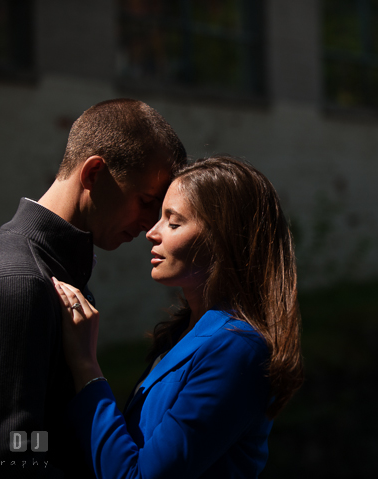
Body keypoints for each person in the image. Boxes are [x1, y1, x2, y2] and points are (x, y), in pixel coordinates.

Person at [0, 99, 186, 479]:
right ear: (94, 173)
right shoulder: (13, 284)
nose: (152, 226)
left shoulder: (48, 274)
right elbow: (1, 466)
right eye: (147, 202)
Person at [53, 156, 304, 478]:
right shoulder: (186, 333)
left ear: (222, 238)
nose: (151, 233)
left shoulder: (238, 348)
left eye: (173, 222)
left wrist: (86, 366)